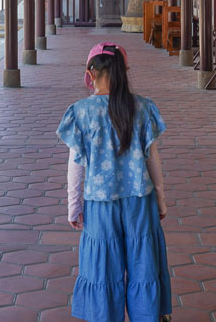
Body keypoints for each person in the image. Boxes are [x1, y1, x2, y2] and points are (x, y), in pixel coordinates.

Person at [56, 42, 172, 322]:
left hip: (99, 205)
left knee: (102, 272)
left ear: (90, 72)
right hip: (139, 202)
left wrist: (73, 207)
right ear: (124, 71)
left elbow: (75, 168)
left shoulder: (81, 112)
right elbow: (152, 158)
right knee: (144, 267)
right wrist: (160, 197)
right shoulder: (143, 108)